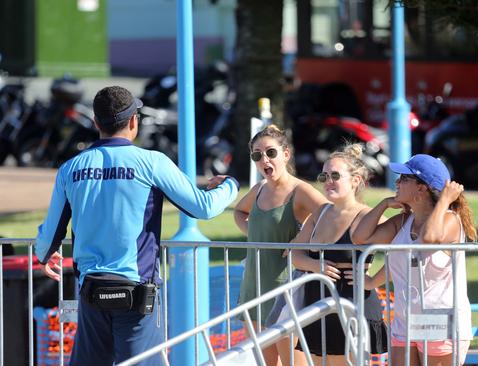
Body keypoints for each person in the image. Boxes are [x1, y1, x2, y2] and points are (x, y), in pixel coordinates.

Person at [35, 86, 240, 366]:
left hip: (91, 293)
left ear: (96, 123)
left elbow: (47, 241)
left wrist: (45, 254)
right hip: (137, 294)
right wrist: (230, 185)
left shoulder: (71, 168)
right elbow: (203, 207)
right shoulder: (152, 162)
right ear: (134, 121)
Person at [352, 154, 477, 366]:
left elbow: (428, 239)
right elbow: (360, 237)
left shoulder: (450, 219)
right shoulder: (403, 220)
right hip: (405, 320)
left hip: (441, 321)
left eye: (404, 178)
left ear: (422, 188)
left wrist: (445, 199)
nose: (397, 182)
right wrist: (383, 204)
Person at [234, 124, 327, 365]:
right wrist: (254, 234)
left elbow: (334, 218)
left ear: (286, 154)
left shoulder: (300, 191)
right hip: (253, 289)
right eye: (257, 155)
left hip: (286, 292)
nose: (264, 159)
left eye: (270, 152)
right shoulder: (259, 189)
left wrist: (302, 239)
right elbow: (239, 211)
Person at [287, 143, 388, 366]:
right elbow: (296, 254)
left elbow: (402, 252)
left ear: (355, 180)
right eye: (324, 176)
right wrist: (316, 267)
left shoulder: (366, 216)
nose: (328, 181)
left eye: (335, 175)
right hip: (318, 304)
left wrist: (372, 281)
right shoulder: (320, 213)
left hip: (353, 306)